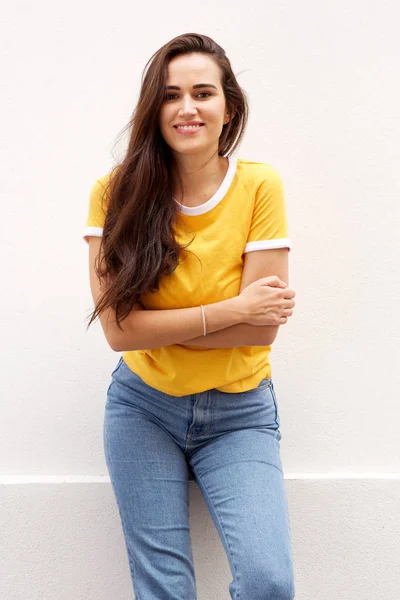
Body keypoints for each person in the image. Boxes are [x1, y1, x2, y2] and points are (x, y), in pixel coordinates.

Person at [83, 32, 296, 600]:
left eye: (203, 93)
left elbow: (264, 326)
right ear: (154, 110)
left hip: (240, 412)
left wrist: (167, 327)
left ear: (229, 108)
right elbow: (119, 332)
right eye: (171, 94)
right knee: (164, 590)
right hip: (143, 409)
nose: (187, 108)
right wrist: (232, 308)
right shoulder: (114, 193)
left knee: (268, 582)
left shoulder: (259, 185)